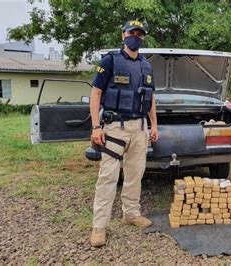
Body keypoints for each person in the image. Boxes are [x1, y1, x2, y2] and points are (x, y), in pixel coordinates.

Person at [89, 19, 159, 247]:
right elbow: (96, 94)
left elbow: (150, 98)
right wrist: (96, 127)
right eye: (132, 32)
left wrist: (154, 125)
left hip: (140, 128)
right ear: (123, 35)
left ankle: (131, 213)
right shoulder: (110, 61)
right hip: (115, 127)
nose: (135, 37)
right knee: (108, 176)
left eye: (139, 34)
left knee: (135, 174)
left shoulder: (147, 66)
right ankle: (99, 227)